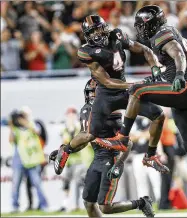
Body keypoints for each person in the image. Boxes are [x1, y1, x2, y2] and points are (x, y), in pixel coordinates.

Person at [96, 5, 187, 213]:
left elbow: (179, 54)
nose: (139, 30)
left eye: (141, 25)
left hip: (181, 88)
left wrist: (179, 75)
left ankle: (124, 138)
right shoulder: (171, 31)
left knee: (137, 89)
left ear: (150, 24)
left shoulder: (160, 36)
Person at [52, 14, 168, 177]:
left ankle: (150, 155)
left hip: (123, 92)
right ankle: (65, 150)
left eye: (99, 29)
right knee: (89, 134)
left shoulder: (117, 36)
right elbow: (107, 82)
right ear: (87, 36)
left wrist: (155, 68)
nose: (97, 34)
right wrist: (134, 85)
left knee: (158, 115)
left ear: (105, 27)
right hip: (105, 96)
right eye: (92, 32)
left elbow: (145, 49)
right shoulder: (87, 52)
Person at [49, 79, 155, 217]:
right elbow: (83, 141)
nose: (93, 96)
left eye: (96, 92)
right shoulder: (86, 110)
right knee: (88, 203)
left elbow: (127, 143)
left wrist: (119, 163)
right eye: (91, 93)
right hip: (97, 159)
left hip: (112, 159)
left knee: (105, 207)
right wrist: (62, 152)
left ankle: (141, 203)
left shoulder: (111, 111)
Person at [9, 110, 48, 213]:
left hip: (33, 160)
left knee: (37, 183)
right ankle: (15, 206)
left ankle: (44, 205)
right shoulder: (16, 129)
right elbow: (11, 140)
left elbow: (37, 132)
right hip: (20, 160)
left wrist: (25, 123)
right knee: (15, 184)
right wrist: (12, 126)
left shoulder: (32, 124)